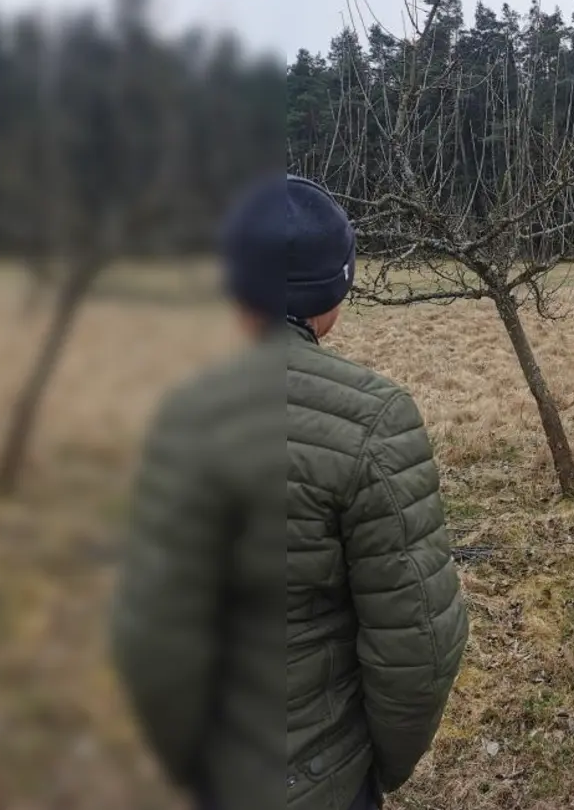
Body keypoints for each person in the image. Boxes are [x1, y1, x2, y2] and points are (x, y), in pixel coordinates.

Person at [112, 174, 471, 810]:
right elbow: (419, 643)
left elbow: (149, 637)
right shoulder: (376, 419)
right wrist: (369, 770)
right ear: (336, 290)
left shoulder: (183, 413)